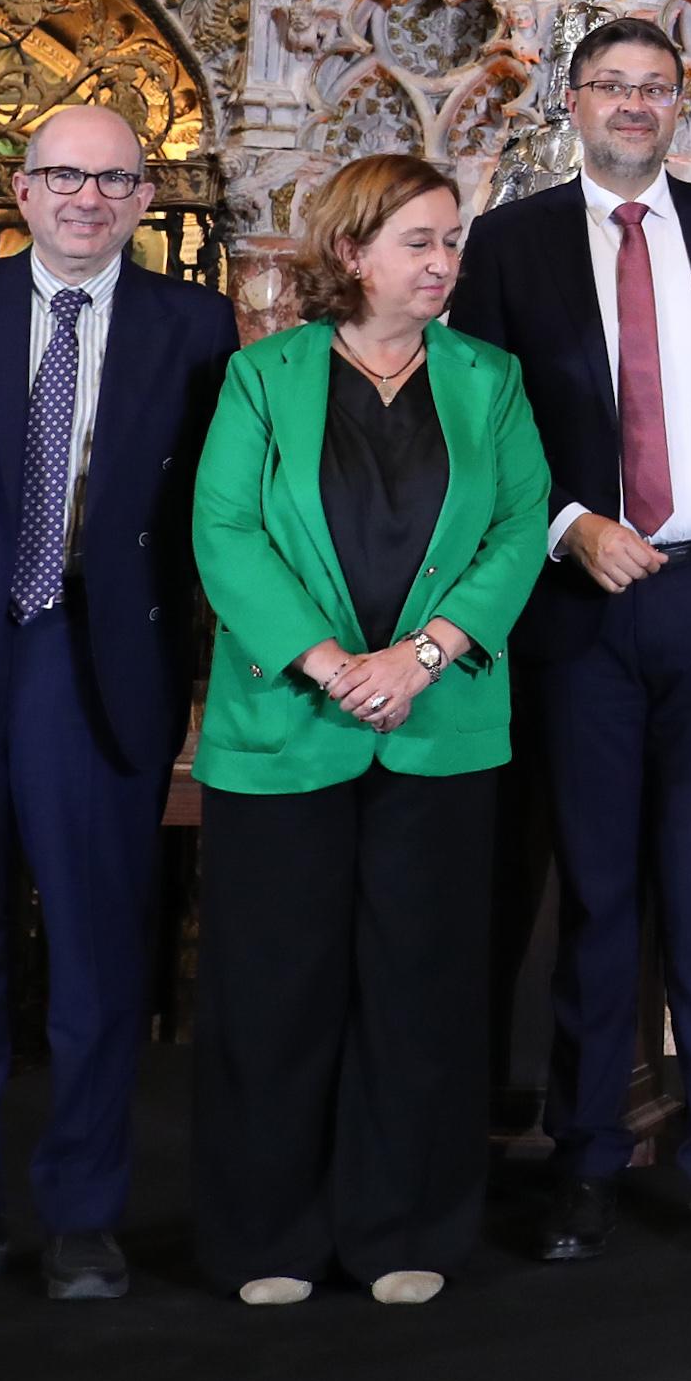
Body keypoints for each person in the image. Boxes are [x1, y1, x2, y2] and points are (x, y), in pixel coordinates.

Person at [448, 16, 691, 1267]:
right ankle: (585, 1157)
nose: (632, 104)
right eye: (610, 85)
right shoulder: (508, 245)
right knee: (599, 894)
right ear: (571, 103)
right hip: (577, 609)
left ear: (683, 106)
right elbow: (481, 420)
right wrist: (568, 525)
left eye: (655, 88)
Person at [0, 106, 238, 1305]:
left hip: (96, 666)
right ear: (20, 192)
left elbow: (202, 515)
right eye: (64, 175)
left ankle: (81, 1220)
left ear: (144, 201)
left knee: (97, 962)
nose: (88, 197)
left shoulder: (195, 324)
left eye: (115, 180)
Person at [187, 154, 552, 1307]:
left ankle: (404, 1230)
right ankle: (267, 1241)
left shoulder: (491, 379)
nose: (443, 262)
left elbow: (517, 525)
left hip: (438, 728)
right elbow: (225, 533)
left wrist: (422, 657)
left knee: (423, 986)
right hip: (285, 723)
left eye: (451, 241)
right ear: (352, 253)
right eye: (419, 241)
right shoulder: (262, 377)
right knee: (274, 988)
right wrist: (335, 664)